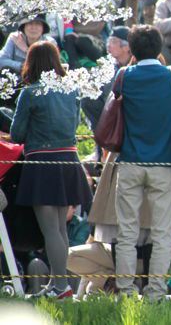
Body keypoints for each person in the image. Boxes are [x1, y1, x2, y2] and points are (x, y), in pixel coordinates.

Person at [10, 41, 92, 299]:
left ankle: (60, 287)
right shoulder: (71, 91)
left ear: (31, 63)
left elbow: (17, 133)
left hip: (42, 163)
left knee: (50, 230)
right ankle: (58, 285)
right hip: (69, 161)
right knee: (58, 229)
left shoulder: (31, 93)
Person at [114, 25, 171, 300]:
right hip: (163, 163)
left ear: (131, 50)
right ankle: (156, 292)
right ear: (159, 49)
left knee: (127, 232)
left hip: (131, 161)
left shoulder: (123, 76)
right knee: (161, 233)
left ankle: (126, 291)